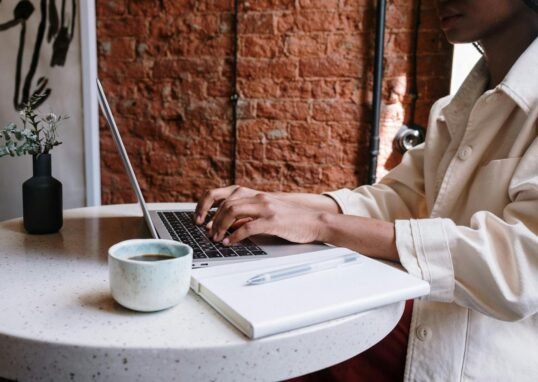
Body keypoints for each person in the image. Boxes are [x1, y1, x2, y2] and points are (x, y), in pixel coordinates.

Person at [194, 0, 538, 380]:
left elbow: (518, 269)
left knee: (269, 357)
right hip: (429, 322)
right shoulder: (457, 107)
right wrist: (276, 203)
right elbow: (399, 198)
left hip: (479, 358)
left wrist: (321, 225)